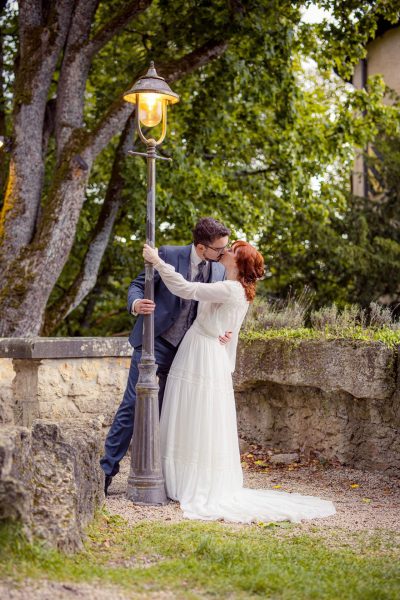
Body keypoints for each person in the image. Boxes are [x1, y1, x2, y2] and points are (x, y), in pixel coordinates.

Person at [143, 240, 336, 523]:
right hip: (211, 352)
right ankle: (182, 477)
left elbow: (186, 288)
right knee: (199, 415)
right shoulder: (239, 291)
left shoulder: (231, 288)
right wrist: (225, 336)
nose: (227, 251)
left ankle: (186, 481)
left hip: (201, 351)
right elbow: (231, 327)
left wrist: (157, 261)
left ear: (238, 262)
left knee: (194, 412)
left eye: (232, 250)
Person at [100, 217, 232, 495]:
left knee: (171, 411)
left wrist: (223, 331)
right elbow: (137, 285)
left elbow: (219, 308)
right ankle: (105, 472)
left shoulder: (219, 270)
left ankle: (161, 477)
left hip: (189, 351)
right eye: (219, 249)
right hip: (154, 341)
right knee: (133, 405)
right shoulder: (169, 254)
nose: (223, 254)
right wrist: (136, 303)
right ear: (200, 246)